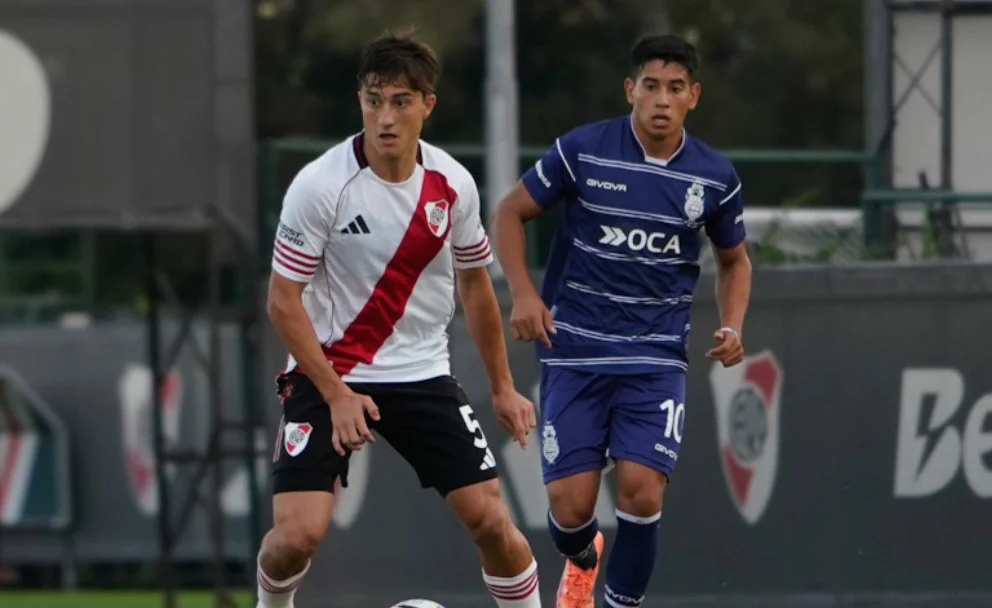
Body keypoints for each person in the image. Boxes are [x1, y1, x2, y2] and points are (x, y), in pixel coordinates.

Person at [258, 31, 543, 608]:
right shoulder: (319, 186)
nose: (385, 117)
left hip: (419, 372)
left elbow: (475, 286)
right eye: (373, 100)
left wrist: (504, 389)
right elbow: (282, 302)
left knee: (492, 522)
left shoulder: (452, 185)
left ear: (427, 105)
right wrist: (336, 394)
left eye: (401, 101)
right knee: (296, 536)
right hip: (327, 370)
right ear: (359, 101)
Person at [490, 34, 753, 608]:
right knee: (570, 509)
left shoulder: (714, 177)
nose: (661, 99)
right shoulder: (583, 150)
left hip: (655, 358)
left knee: (640, 491)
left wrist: (732, 325)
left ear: (694, 96)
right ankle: (583, 559)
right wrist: (524, 295)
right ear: (631, 90)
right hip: (575, 349)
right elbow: (510, 211)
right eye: (651, 86)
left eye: (675, 88)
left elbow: (735, 260)